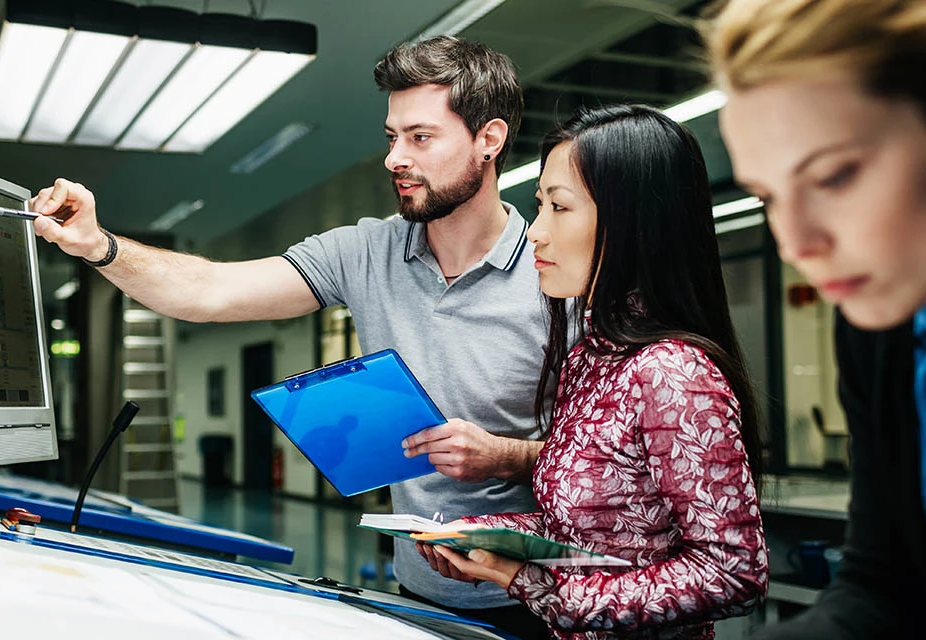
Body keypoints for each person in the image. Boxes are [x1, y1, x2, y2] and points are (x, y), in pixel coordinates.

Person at [29, 36, 552, 639]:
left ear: (489, 140)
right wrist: (99, 246)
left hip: (536, 601)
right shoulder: (365, 251)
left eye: (421, 137)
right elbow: (209, 291)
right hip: (420, 592)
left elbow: (624, 461)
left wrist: (507, 456)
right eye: (391, 137)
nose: (394, 158)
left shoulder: (557, 270)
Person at [704, 0, 926, 637]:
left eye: (834, 177)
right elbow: (890, 590)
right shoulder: (884, 335)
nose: (795, 244)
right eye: (770, 198)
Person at [417, 104, 768, 639]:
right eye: (539, 206)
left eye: (559, 207)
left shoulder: (673, 373)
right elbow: (592, 532)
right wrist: (486, 533)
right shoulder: (592, 357)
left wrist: (530, 582)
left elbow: (733, 572)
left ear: (634, 222)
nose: (535, 232)